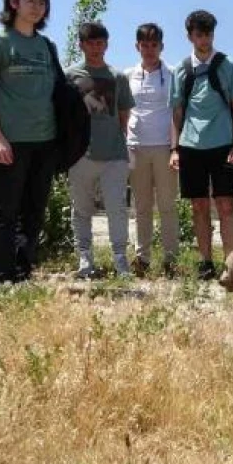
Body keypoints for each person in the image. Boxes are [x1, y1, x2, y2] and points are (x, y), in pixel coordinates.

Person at [0, 0, 61, 286]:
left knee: (34, 211)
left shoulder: (46, 46)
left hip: (45, 140)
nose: (37, 6)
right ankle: (2, 277)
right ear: (13, 2)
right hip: (10, 141)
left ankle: (24, 275)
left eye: (42, 1)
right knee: (6, 211)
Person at [170, 10, 233, 281]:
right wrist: (174, 149)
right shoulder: (181, 69)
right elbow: (177, 112)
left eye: (209, 34)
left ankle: (231, 264)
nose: (205, 39)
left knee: (226, 205)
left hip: (223, 144)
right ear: (190, 36)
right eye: (199, 34)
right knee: (198, 206)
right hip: (190, 145)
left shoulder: (229, 65)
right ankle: (205, 262)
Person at [65, 21, 135, 279]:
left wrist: (115, 136)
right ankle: (85, 258)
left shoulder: (118, 78)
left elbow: (124, 115)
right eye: (91, 43)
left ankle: (120, 260)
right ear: (81, 45)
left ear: (107, 44)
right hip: (80, 153)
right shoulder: (69, 75)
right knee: (81, 208)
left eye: (101, 43)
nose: (96, 48)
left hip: (114, 154)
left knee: (117, 207)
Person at [125, 23, 179, 278]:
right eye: (144, 45)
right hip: (136, 147)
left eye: (153, 44)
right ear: (137, 46)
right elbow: (123, 111)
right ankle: (142, 259)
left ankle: (171, 259)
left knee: (167, 205)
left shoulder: (172, 74)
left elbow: (177, 113)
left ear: (161, 46)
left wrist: (175, 148)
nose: (149, 50)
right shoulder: (127, 75)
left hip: (164, 147)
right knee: (142, 206)